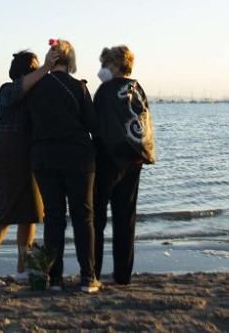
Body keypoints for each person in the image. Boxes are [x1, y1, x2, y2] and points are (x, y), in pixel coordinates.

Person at [0, 49, 57, 287]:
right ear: (23, 70)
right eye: (34, 66)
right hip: (9, 157)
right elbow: (22, 88)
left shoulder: (36, 93)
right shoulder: (7, 90)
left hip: (27, 158)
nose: (38, 68)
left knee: (30, 214)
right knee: (4, 214)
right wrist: (46, 68)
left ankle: (23, 270)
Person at [25, 39, 100, 293]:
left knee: (53, 218)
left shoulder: (35, 88)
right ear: (71, 61)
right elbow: (93, 125)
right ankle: (87, 278)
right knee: (83, 216)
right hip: (78, 158)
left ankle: (54, 278)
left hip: (44, 158)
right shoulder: (79, 88)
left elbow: (28, 124)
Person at [92, 45, 156, 285]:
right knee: (125, 219)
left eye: (105, 65)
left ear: (117, 65)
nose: (102, 69)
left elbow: (96, 124)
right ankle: (123, 275)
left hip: (106, 160)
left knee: (97, 218)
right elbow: (144, 123)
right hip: (133, 160)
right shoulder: (137, 89)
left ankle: (93, 272)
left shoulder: (106, 90)